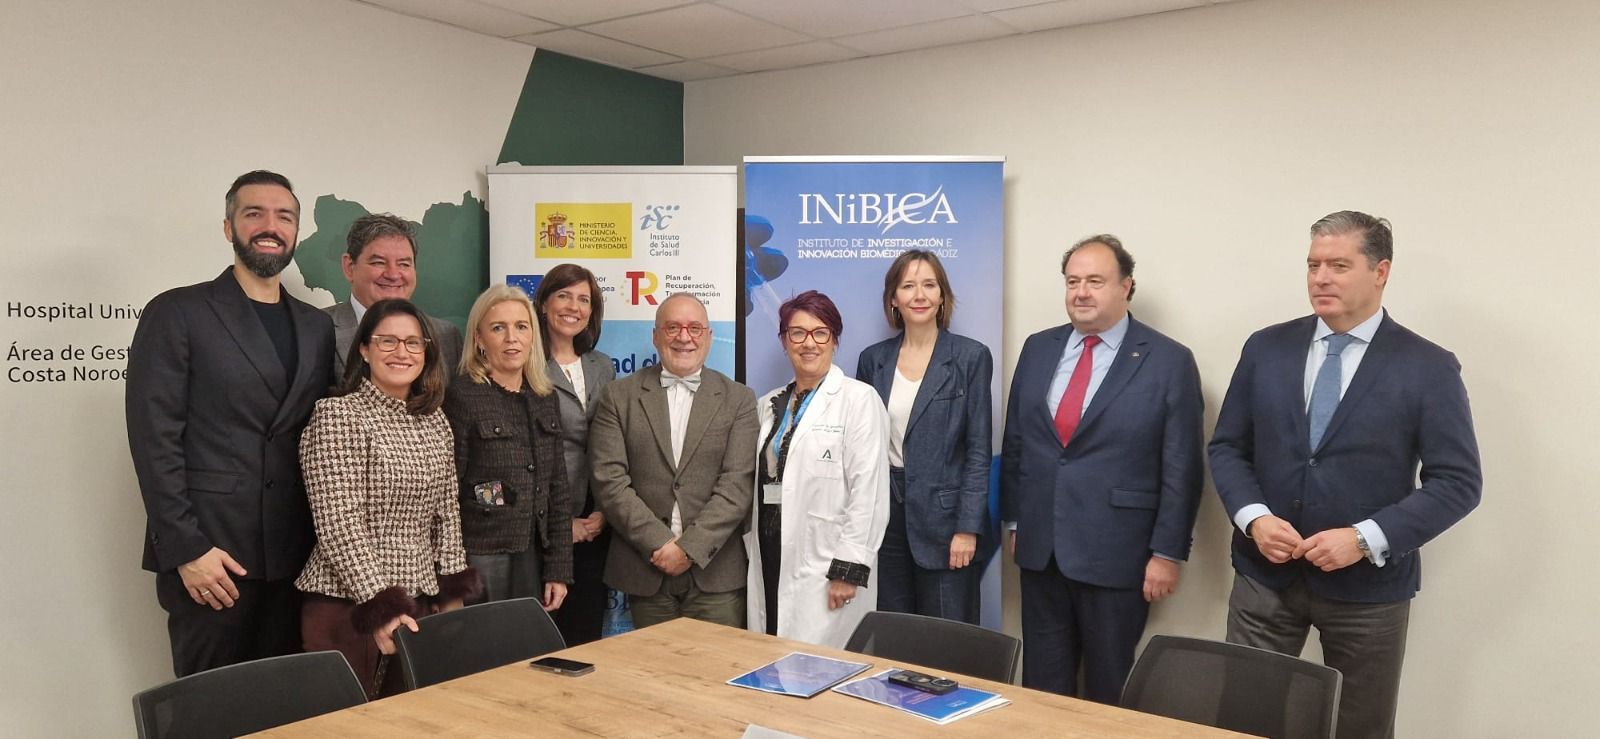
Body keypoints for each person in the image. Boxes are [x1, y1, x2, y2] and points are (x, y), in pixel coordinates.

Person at [1209, 211, 1482, 738]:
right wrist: (1254, 518)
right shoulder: (1266, 347)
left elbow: (1458, 483)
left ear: (1381, 272)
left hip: (1368, 590)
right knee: (1242, 719)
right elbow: (1227, 447)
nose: (1321, 278)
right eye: (1313, 265)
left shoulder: (1427, 366)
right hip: (1265, 577)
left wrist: (1363, 539)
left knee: (1360, 728)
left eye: (1338, 265)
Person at [126, 170, 337, 677]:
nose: (271, 226)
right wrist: (187, 549)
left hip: (294, 560)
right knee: (210, 707)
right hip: (211, 557)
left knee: (288, 709)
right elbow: (154, 441)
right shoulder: (178, 312)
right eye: (254, 213)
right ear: (228, 227)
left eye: (284, 217)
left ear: (296, 231)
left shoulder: (316, 326)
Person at [1000, 235, 1204, 703]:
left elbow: (1183, 467)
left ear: (1125, 286)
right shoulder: (1039, 348)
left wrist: (1167, 553)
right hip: (1041, 550)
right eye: (1073, 281)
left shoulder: (1168, 360)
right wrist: (1015, 520)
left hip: (1119, 553)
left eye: (1095, 281)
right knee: (1042, 687)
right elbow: (1016, 442)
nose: (1081, 292)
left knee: (1108, 688)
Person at [295, 299, 478, 697]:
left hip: (421, 604)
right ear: (364, 348)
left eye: (413, 343)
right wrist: (381, 606)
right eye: (388, 341)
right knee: (349, 724)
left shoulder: (434, 418)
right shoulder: (337, 415)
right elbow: (339, 524)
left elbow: (447, 513)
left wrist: (452, 595)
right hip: (351, 606)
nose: (402, 352)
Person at [589, 293, 758, 629]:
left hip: (715, 572)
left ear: (709, 336)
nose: (684, 337)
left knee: (715, 664)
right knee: (652, 665)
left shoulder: (739, 399)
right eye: (673, 327)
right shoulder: (618, 396)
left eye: (695, 328)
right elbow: (609, 481)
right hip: (646, 567)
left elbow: (737, 485)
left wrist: (689, 549)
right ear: (655, 335)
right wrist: (661, 544)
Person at [747, 290, 891, 648]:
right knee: (769, 650)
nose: (808, 343)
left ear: (835, 340)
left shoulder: (859, 400)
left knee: (820, 665)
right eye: (797, 333)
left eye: (820, 333)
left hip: (826, 562)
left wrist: (848, 569)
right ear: (784, 341)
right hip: (771, 550)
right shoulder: (768, 404)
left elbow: (869, 493)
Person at [855, 250, 992, 624]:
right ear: (893, 299)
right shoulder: (873, 360)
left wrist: (967, 528)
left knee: (947, 640)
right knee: (895, 634)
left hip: (947, 523)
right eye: (908, 286)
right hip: (887, 519)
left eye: (929, 285)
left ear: (942, 295)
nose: (920, 295)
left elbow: (978, 450)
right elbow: (863, 446)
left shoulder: (970, 357)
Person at [444, 285, 572, 610]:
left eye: (521, 326)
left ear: (532, 336)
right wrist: (506, 495)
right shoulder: (462, 396)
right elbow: (451, 490)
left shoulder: (545, 398)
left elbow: (557, 488)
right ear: (479, 339)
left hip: (536, 555)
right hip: (482, 556)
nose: (511, 338)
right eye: (498, 328)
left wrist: (558, 569)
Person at [533, 264, 616, 645]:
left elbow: (612, 442)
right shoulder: (526, 363)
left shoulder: (602, 366)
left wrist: (604, 512)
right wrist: (560, 524)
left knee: (585, 639)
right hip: (543, 528)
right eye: (564, 296)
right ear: (544, 303)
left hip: (595, 524)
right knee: (541, 641)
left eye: (584, 299)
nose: (573, 307)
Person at [326, 213, 463, 377]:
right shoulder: (315, 330)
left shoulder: (446, 336)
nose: (393, 274)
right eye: (379, 263)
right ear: (349, 267)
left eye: (404, 264)